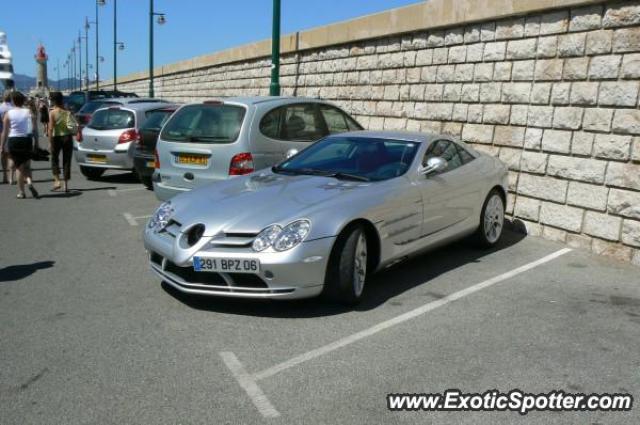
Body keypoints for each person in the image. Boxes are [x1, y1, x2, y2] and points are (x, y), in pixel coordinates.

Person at [0, 91, 39, 198]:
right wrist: (36, 143)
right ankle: (29, 182)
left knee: (18, 167)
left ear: (13, 101)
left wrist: (2, 146)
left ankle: (21, 192)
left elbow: (4, 131)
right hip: (26, 140)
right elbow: (34, 130)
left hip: (14, 140)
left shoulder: (9, 114)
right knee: (27, 165)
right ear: (23, 101)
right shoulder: (29, 112)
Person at [48, 91, 74, 192]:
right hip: (67, 137)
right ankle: (66, 185)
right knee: (67, 161)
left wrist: (50, 142)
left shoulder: (52, 112)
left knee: (54, 159)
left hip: (56, 138)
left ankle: (57, 181)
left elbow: (50, 128)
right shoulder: (68, 111)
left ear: (53, 101)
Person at [0, 91, 14, 184]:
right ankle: (10, 177)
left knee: (2, 155)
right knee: (10, 155)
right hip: (12, 133)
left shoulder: (0, 107)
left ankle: (4, 175)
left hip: (1, 132)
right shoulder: (13, 108)